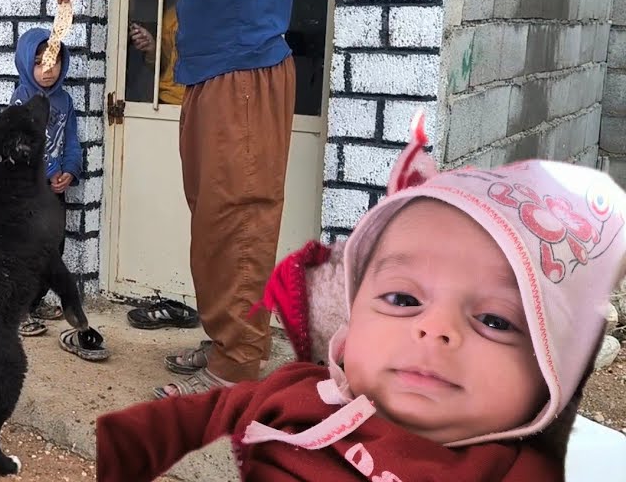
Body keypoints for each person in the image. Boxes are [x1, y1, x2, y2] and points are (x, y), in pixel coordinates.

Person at [94, 137, 626, 481]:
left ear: (546, 383)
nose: (435, 330)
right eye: (402, 299)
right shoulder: (298, 392)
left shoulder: (505, 468)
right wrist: (126, 449)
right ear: (348, 335)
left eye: (495, 320)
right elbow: (201, 414)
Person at [51, 0, 295, 393]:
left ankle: (235, 368)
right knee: (214, 217)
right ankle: (223, 343)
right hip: (212, 77)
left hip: (245, 76)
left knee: (238, 216)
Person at [8, 28, 106, 360]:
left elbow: (72, 140)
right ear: (25, 63)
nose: (47, 70)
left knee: (54, 247)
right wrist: (50, 173)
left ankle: (33, 303)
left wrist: (70, 170)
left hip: (54, 190)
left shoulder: (64, 100)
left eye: (54, 61)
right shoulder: (22, 100)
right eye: (39, 63)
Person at [128, 5, 184, 105]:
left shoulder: (219, 15)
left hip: (205, 102)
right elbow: (165, 66)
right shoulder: (173, 17)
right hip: (170, 101)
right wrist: (152, 50)